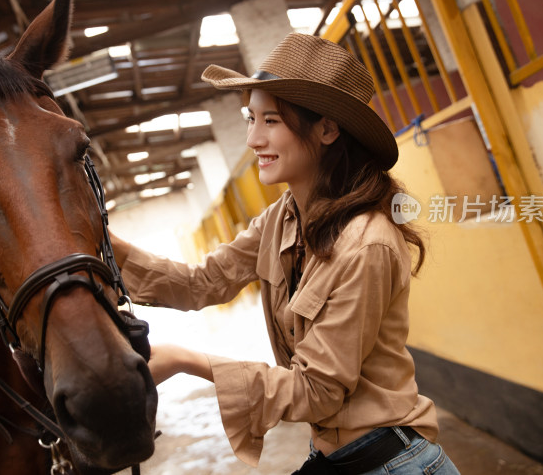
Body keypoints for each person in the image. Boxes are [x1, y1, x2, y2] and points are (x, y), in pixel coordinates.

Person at [111, 33, 460, 474]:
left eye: (271, 121)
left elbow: (316, 390)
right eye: (250, 119)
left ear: (328, 129)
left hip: (394, 463)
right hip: (337, 460)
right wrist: (102, 241)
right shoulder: (282, 218)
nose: (254, 138)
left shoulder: (367, 243)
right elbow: (201, 282)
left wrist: (187, 361)